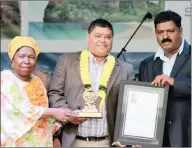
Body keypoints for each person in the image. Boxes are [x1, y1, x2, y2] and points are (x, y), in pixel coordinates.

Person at [48, 18, 135, 147]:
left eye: (107, 37)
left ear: (112, 39)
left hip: (108, 142)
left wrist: (128, 138)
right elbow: (55, 93)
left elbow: (131, 106)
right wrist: (68, 114)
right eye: (98, 36)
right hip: (75, 140)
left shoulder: (125, 69)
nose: (103, 41)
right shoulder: (66, 61)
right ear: (88, 37)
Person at [1, 36, 77, 147]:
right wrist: (56, 112)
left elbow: (44, 113)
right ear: (12, 59)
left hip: (41, 142)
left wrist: (65, 118)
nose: (26, 61)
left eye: (31, 57)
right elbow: (23, 109)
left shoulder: (37, 81)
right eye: (21, 56)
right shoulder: (5, 79)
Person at [139, 10, 191, 147]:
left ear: (181, 31)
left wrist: (174, 82)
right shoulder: (146, 64)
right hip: (155, 139)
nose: (165, 36)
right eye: (160, 32)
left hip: (186, 135)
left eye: (170, 31)